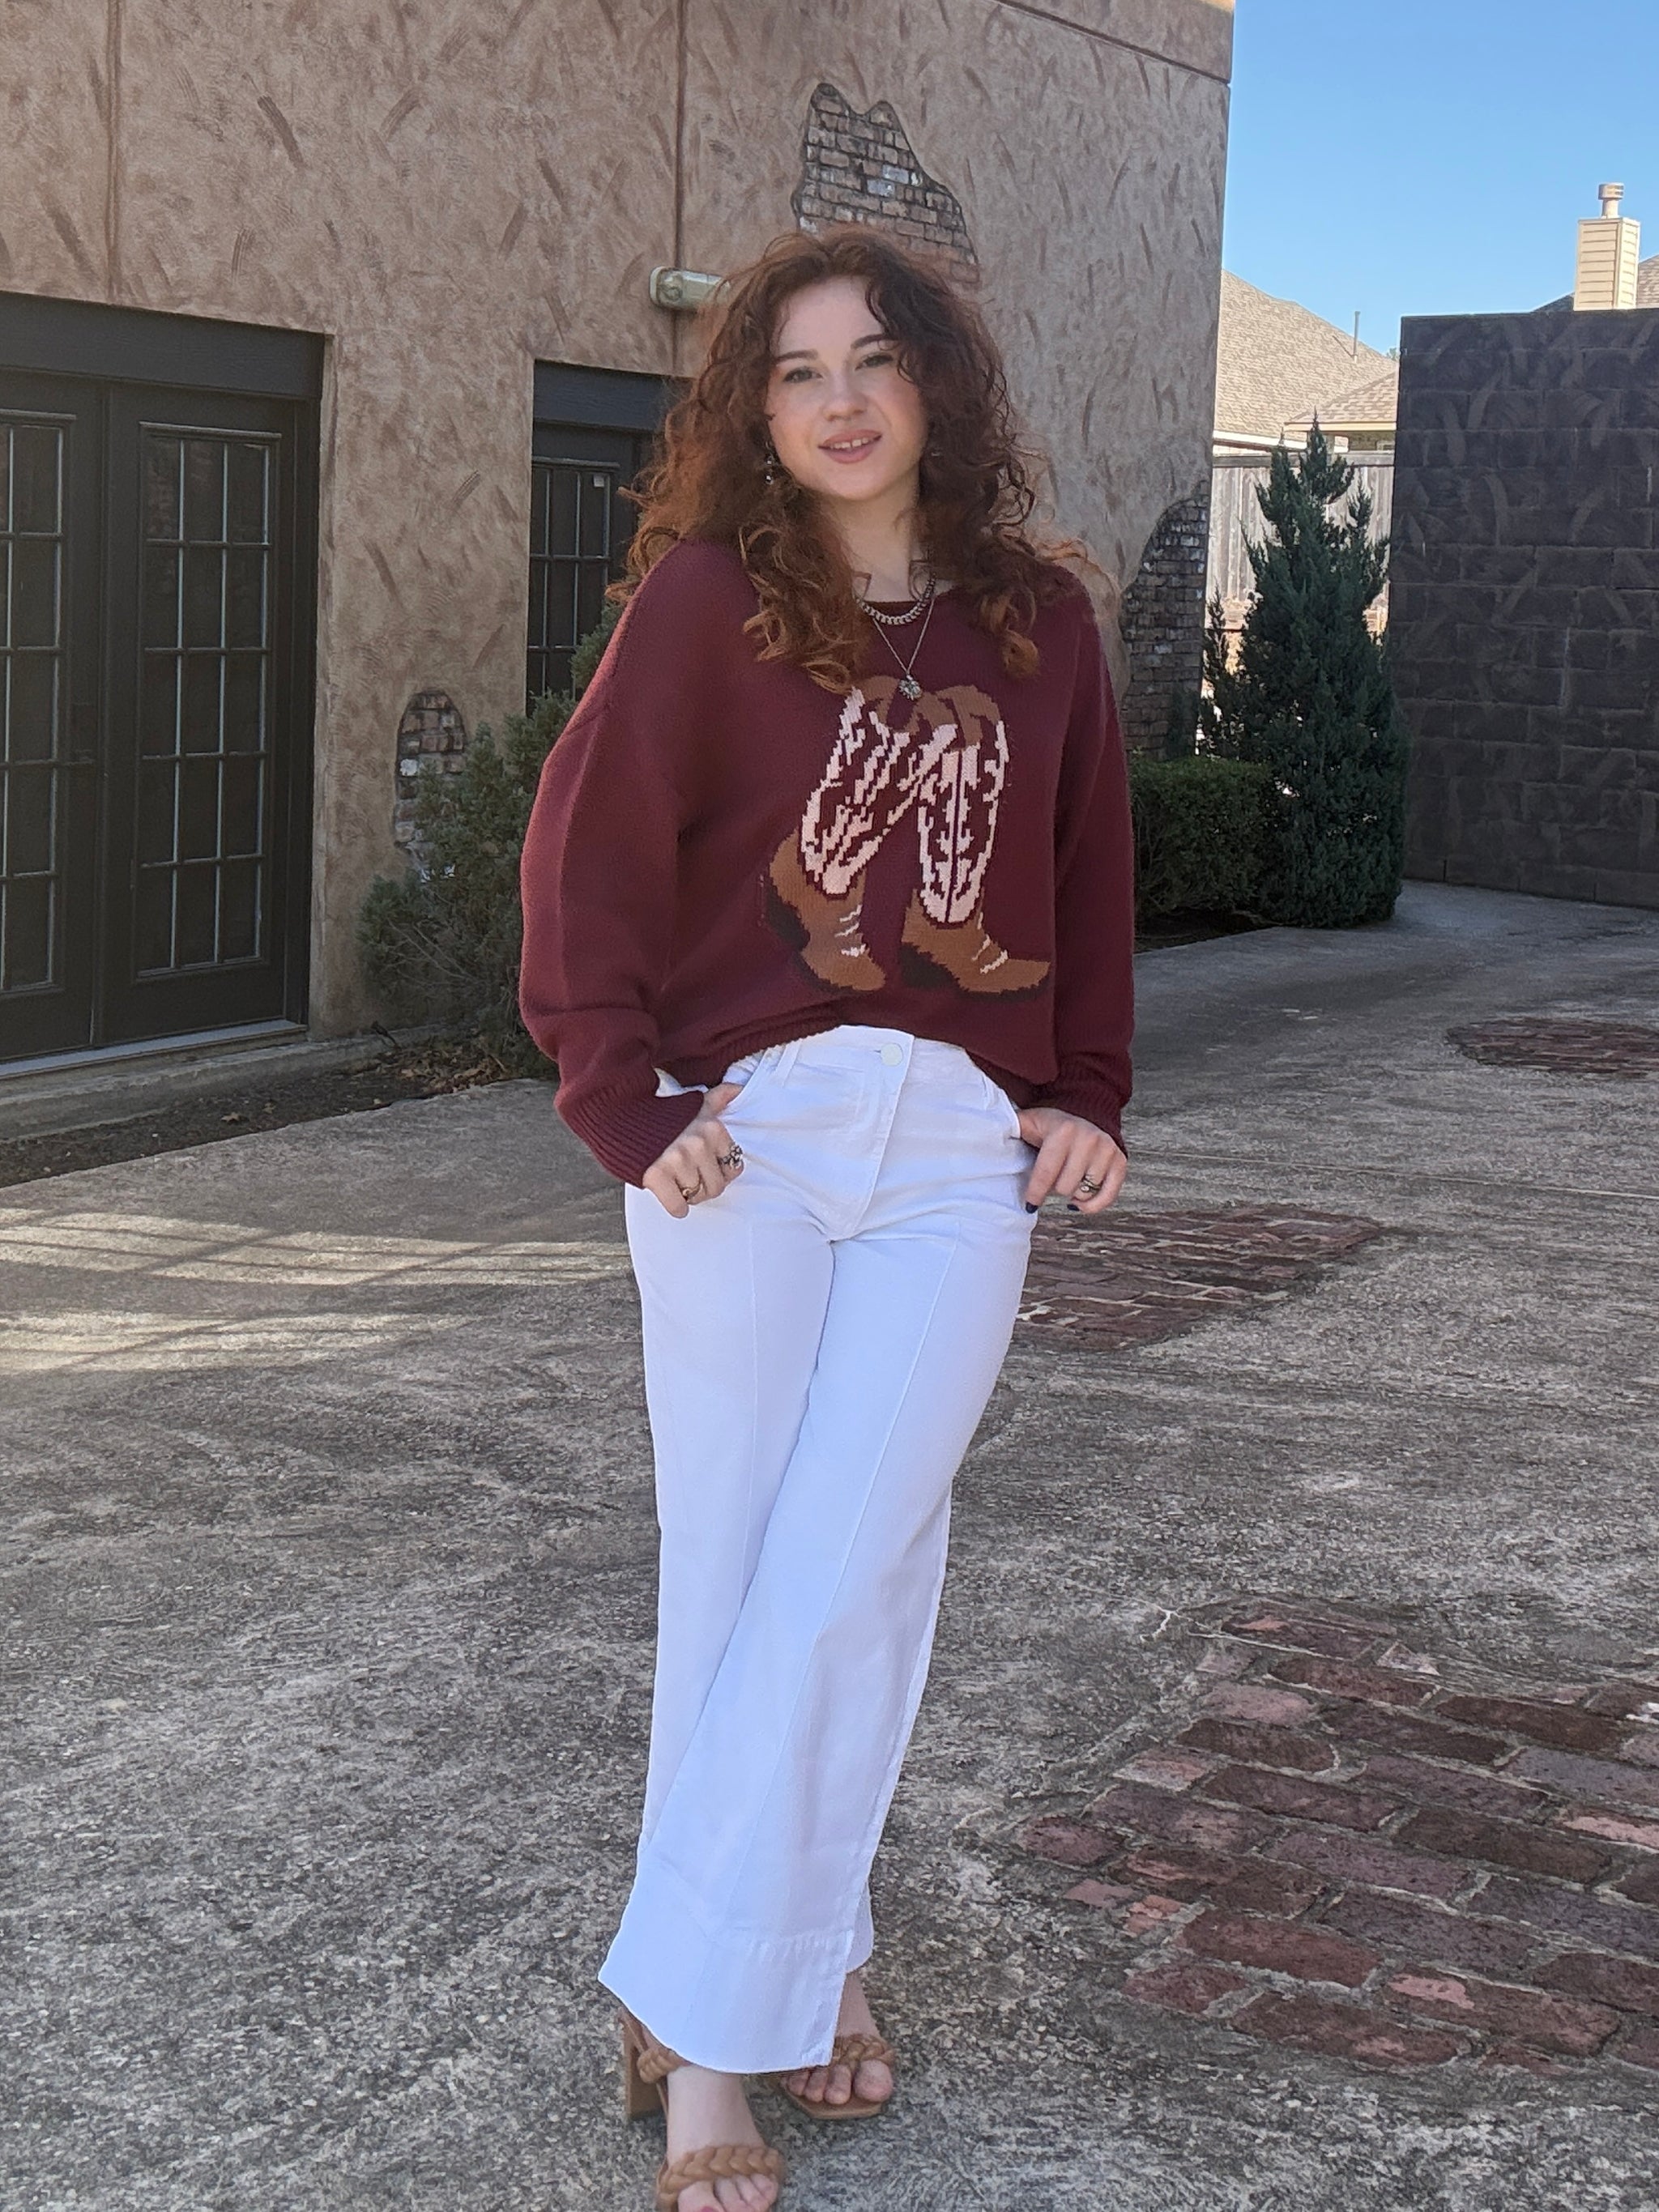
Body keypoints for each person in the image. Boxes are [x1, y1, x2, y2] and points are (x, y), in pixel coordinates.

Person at [518, 223, 1134, 2212]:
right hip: (750, 1134)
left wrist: (1086, 1089)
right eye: (797, 371)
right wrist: (620, 1098)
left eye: (876, 358)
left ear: (938, 380)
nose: (842, 399)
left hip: (954, 1149)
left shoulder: (1042, 623)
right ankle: (750, 2012)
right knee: (740, 1560)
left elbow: (1086, 868)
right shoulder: (711, 603)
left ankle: (716, 1975)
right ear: (755, 411)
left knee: (856, 1559)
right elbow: (592, 845)